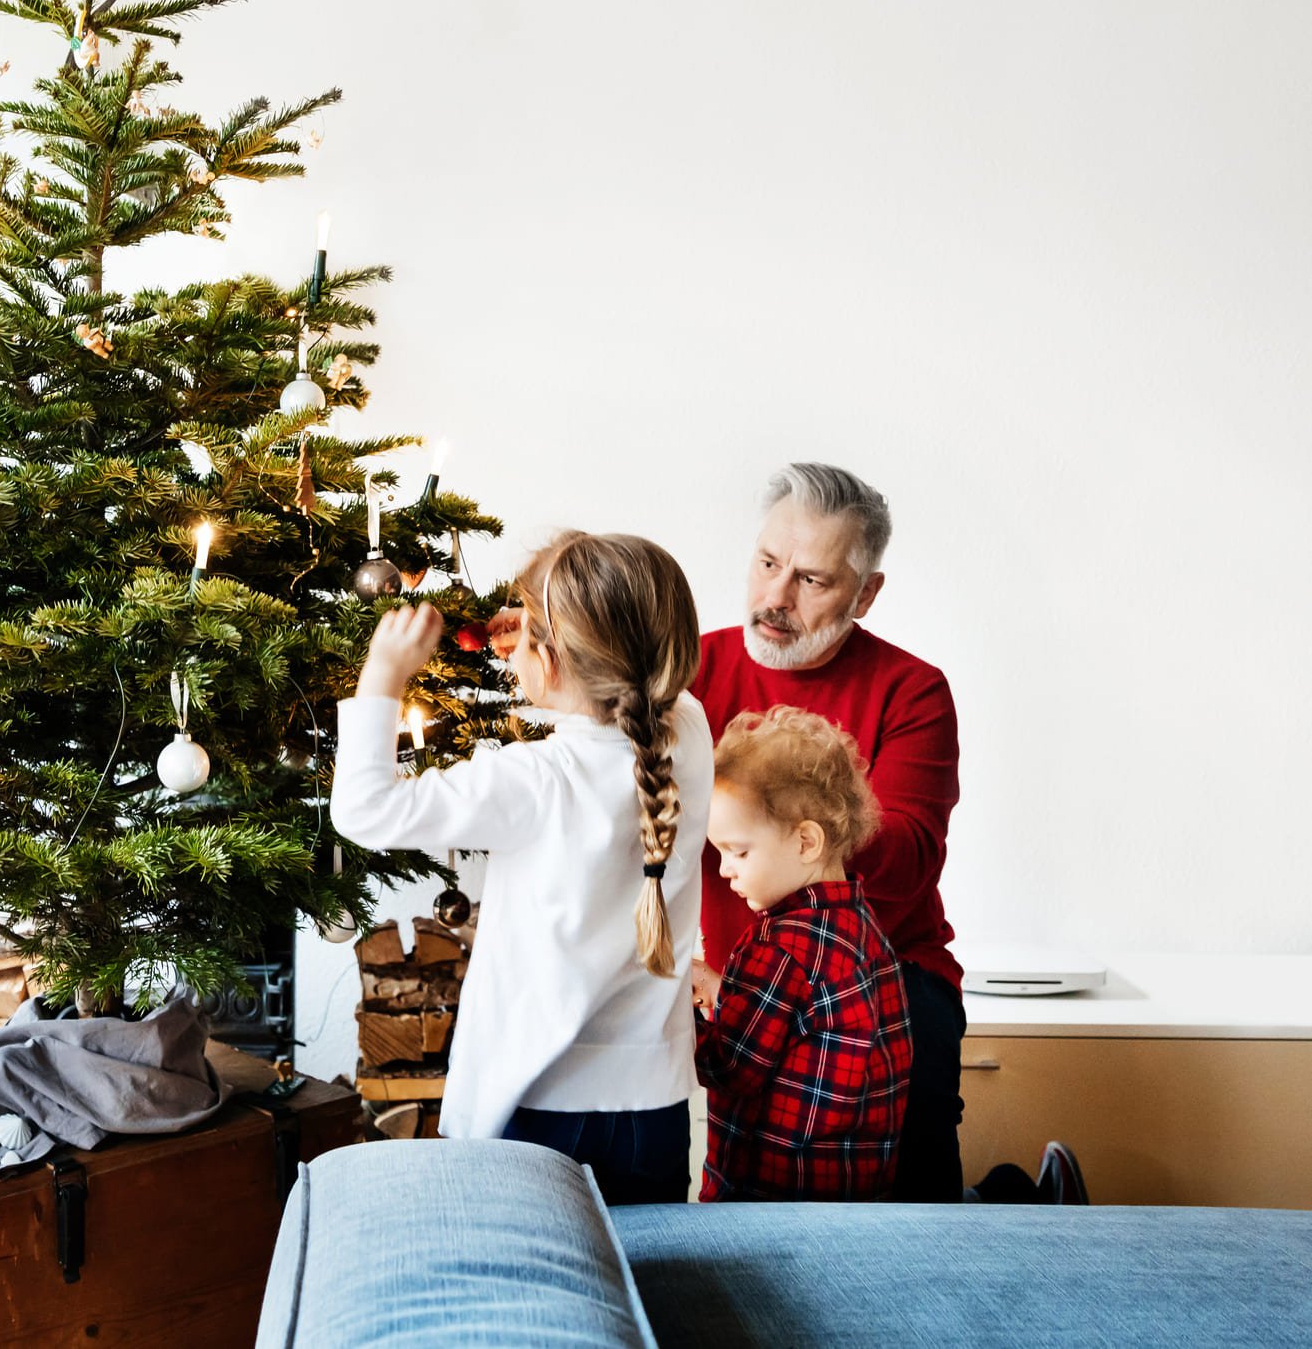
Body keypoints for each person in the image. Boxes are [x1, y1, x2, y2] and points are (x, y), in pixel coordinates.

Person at [331, 532, 712, 1204]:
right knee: (646, 1282)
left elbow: (363, 810)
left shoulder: (535, 780)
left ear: (555, 659)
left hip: (535, 1108)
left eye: (528, 630)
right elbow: (620, 671)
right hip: (652, 1107)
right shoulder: (688, 733)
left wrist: (383, 675)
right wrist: (550, 633)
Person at [691, 463, 965, 1201]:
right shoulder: (685, 672)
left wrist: (797, 801)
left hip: (886, 972)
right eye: (768, 563)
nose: (775, 598)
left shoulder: (913, 691)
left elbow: (905, 866)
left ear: (865, 594)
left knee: (909, 1170)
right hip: (742, 971)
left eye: (811, 580)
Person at [689, 706, 912, 1201]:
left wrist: (677, 1016)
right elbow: (803, 1025)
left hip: (772, 1198)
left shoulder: (776, 948)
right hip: (854, 1188)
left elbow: (729, 1067)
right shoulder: (862, 926)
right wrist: (723, 993)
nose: (724, 870)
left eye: (738, 851)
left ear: (806, 840)